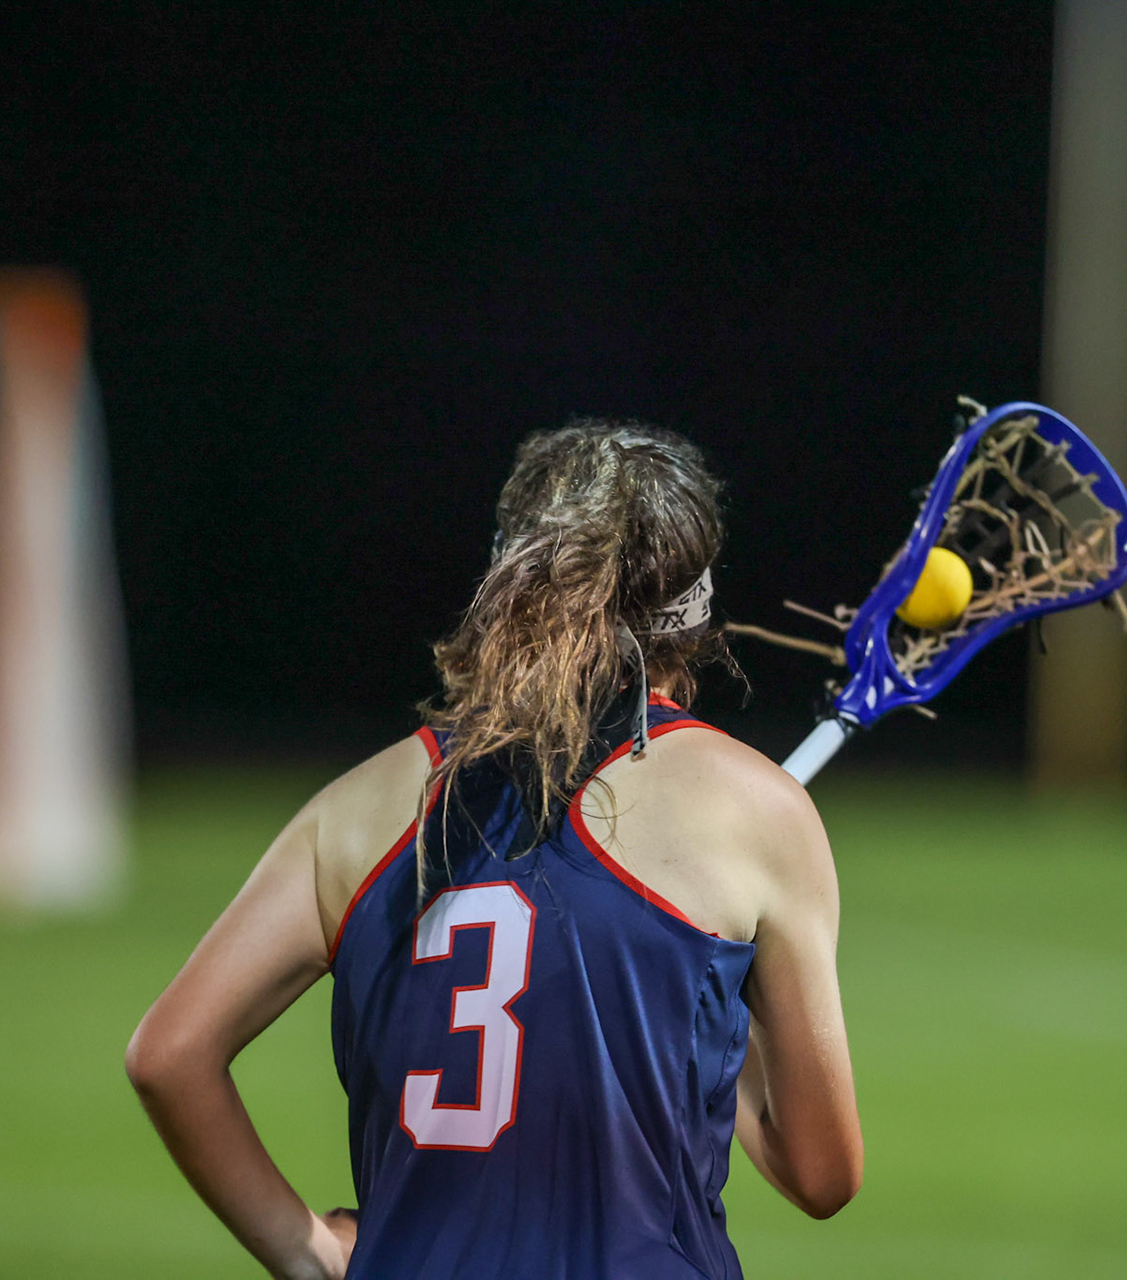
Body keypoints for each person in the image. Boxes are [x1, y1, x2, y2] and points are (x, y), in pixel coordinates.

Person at [127, 420, 862, 1279]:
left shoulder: (361, 807)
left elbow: (168, 1054)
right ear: (693, 616)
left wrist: (309, 1252)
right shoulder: (756, 809)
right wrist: (718, 1037)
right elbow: (823, 1174)